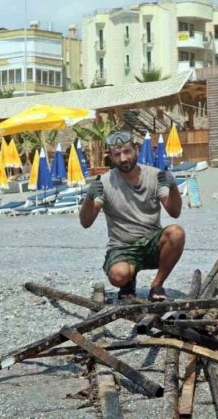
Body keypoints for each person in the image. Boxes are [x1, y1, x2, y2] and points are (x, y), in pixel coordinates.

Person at [79, 129, 185, 302]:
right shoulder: (104, 182)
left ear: (136, 149)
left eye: (127, 151)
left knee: (176, 233)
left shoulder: (155, 176)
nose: (123, 159)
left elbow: (174, 212)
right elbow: (86, 222)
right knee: (119, 276)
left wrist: (173, 187)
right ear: (111, 157)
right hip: (122, 247)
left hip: (152, 243)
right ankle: (128, 282)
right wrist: (89, 198)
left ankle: (157, 284)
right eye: (117, 154)